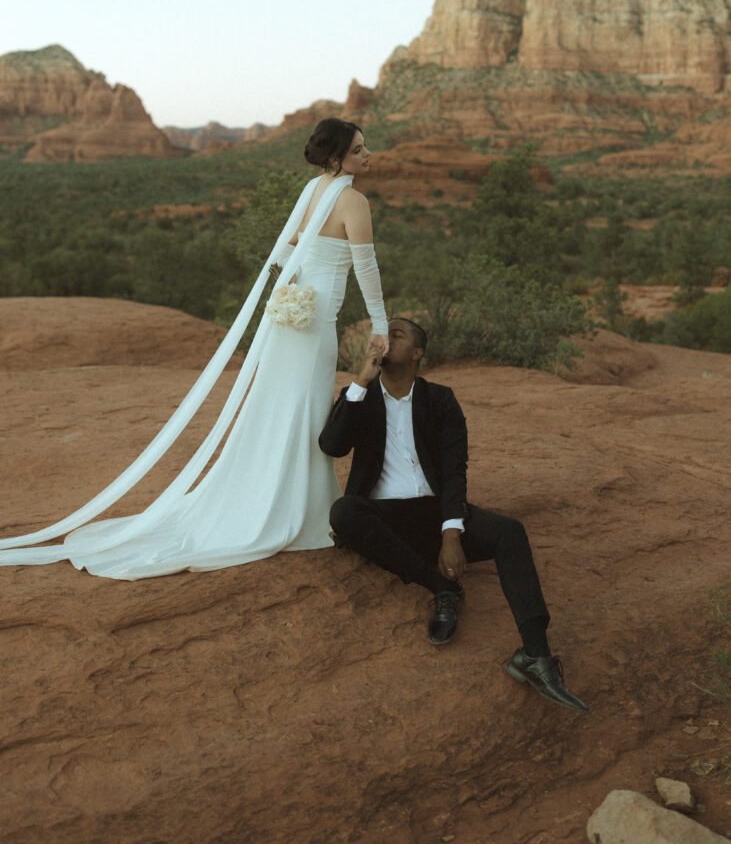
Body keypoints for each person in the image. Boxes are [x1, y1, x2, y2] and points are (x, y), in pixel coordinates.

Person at [0, 118, 389, 579]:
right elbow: (366, 269)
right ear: (336, 157)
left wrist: (290, 293)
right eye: (359, 150)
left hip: (291, 318)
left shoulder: (312, 190)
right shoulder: (352, 201)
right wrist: (380, 324)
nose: (368, 155)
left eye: (365, 148)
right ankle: (298, 509)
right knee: (303, 411)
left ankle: (273, 496)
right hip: (314, 322)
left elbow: (285, 252)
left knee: (277, 407)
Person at [319, 317, 588, 713]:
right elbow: (332, 445)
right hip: (385, 516)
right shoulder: (361, 395)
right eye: (384, 332)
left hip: (435, 513)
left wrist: (451, 534)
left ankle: (536, 656)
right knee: (344, 512)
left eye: (398, 334)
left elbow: (453, 470)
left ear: (417, 352)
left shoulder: (441, 400)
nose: (386, 337)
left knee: (510, 532)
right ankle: (442, 590)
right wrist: (361, 379)